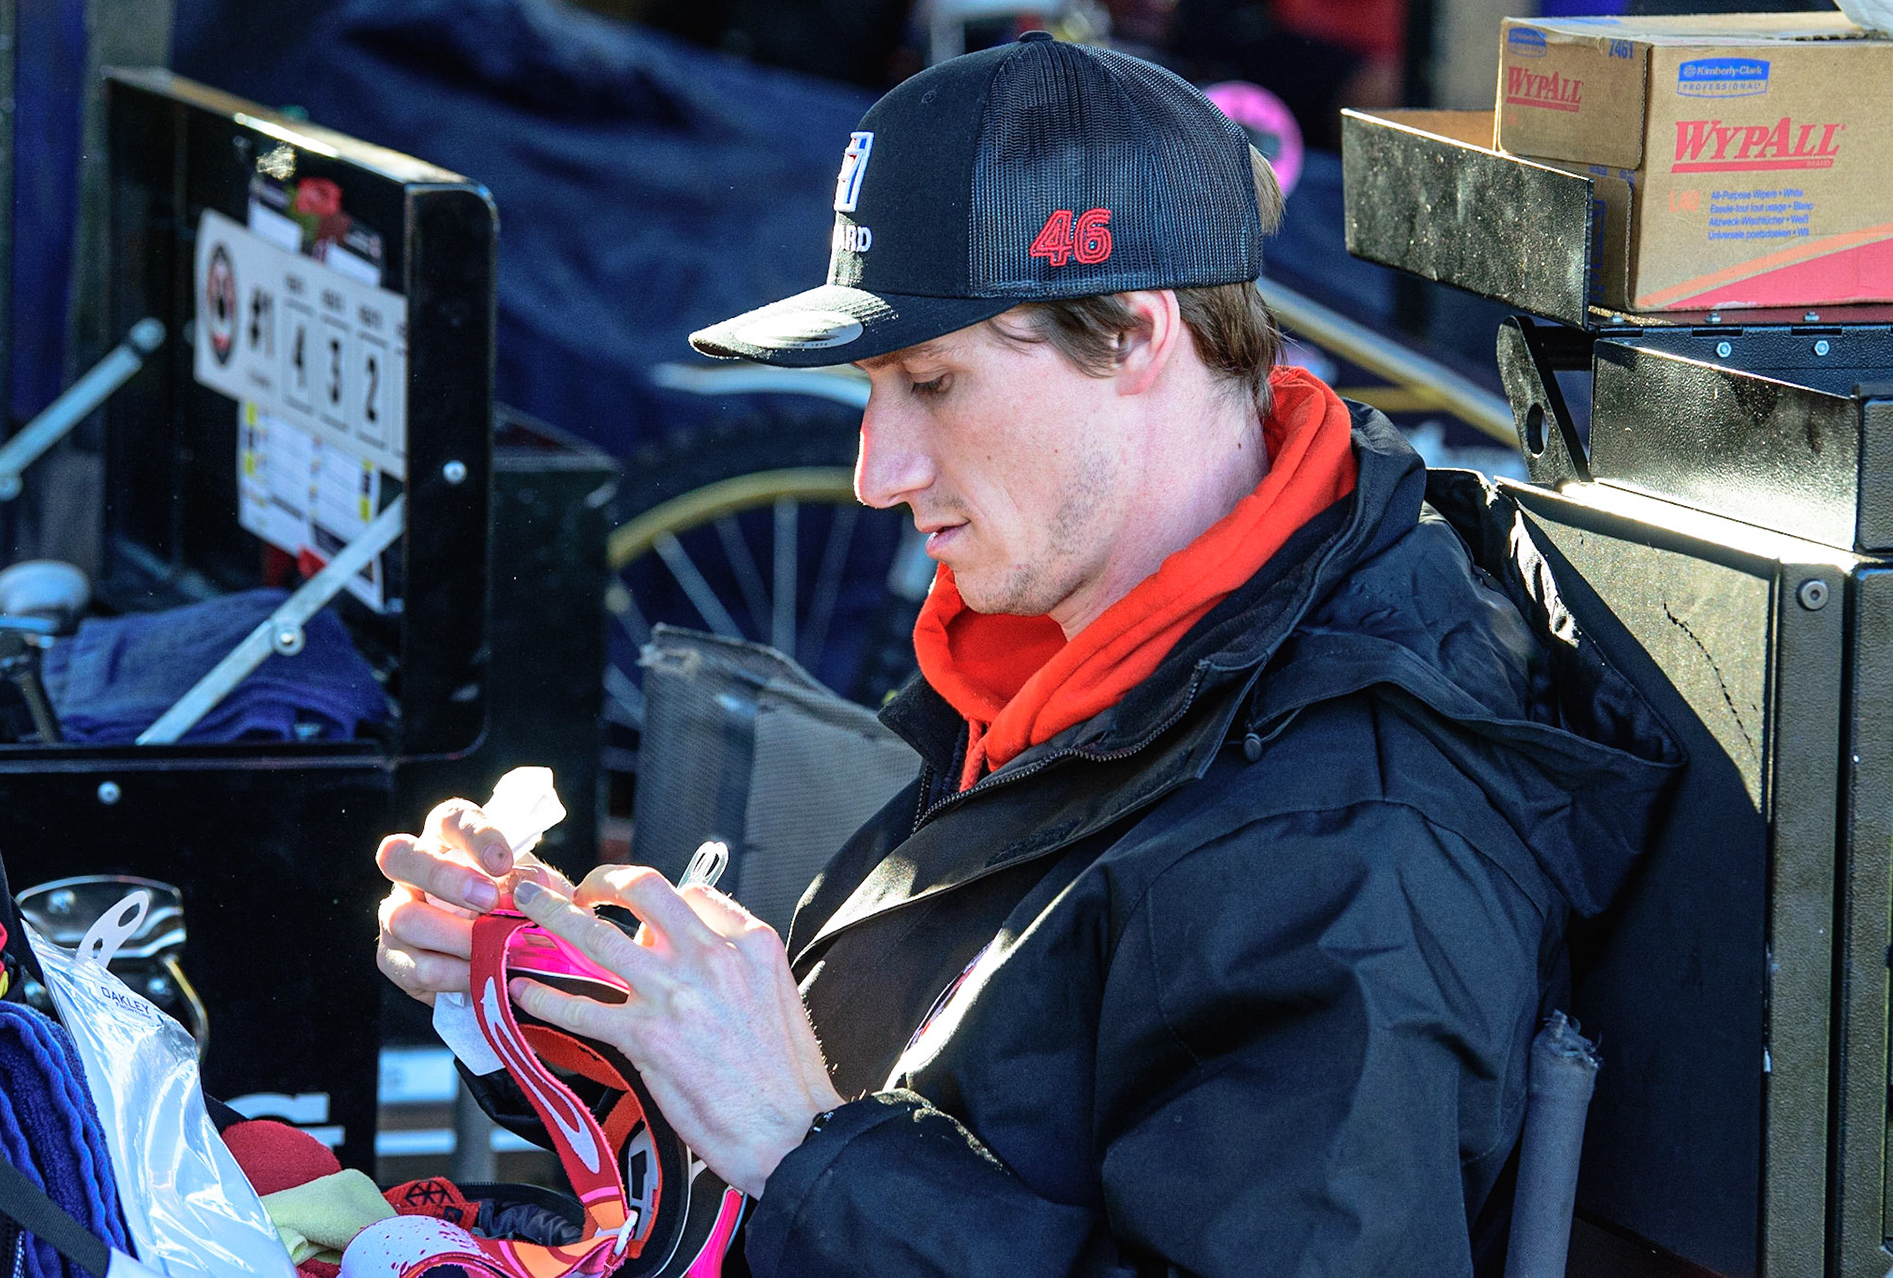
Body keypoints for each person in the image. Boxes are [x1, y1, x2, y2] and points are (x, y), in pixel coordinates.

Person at [374, 33, 1679, 1276]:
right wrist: (566, 997)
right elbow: (898, 1080)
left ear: (1137, 331)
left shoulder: (1351, 838)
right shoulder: (1082, 644)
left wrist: (798, 1143)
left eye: (932, 383)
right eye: (872, 388)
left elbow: (827, 1137)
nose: (877, 471)